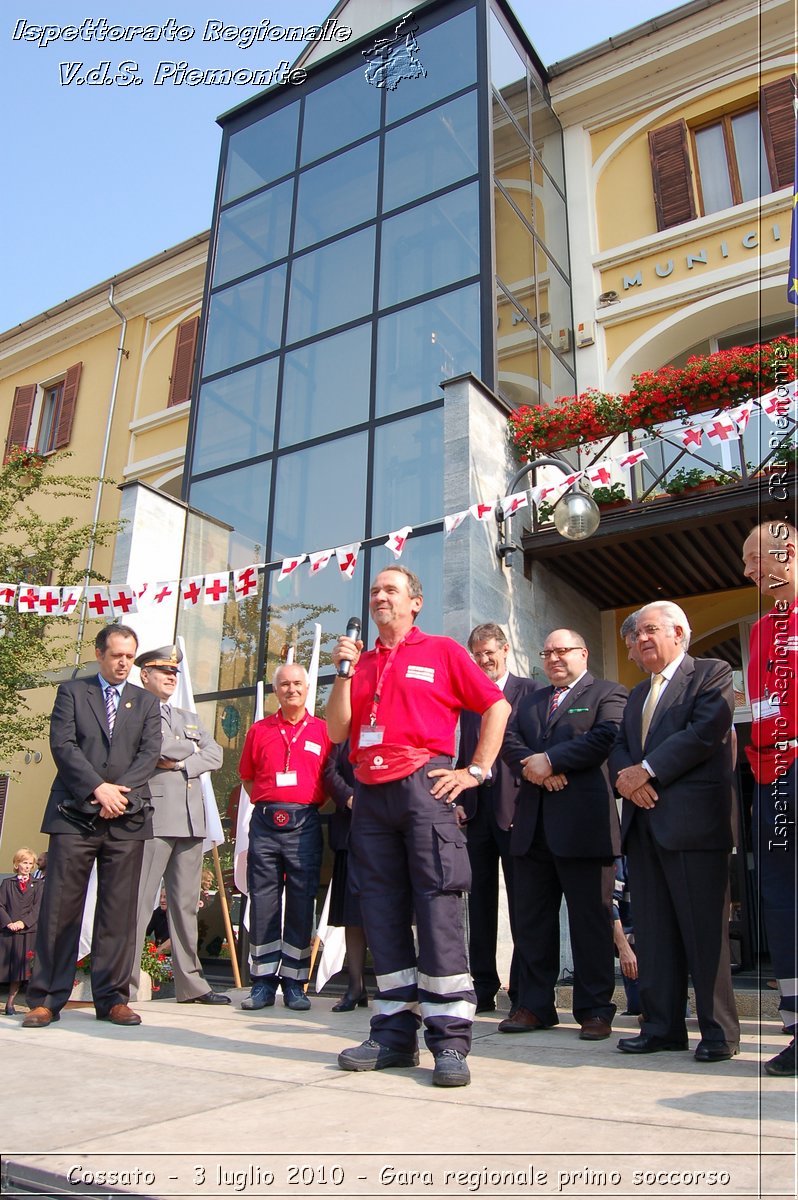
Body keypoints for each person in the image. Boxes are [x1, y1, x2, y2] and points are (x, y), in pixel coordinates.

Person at [327, 565, 511, 1088]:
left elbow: (496, 706)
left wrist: (474, 771)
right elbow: (339, 729)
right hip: (371, 793)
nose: (380, 597)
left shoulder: (444, 652)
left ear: (416, 603)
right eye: (374, 591)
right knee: (381, 909)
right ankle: (392, 1036)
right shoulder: (358, 664)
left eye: (391, 590)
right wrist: (343, 672)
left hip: (424, 786)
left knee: (437, 906)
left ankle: (450, 1040)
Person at [610, 601, 740, 1062]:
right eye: (637, 633)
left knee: (704, 934)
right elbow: (620, 747)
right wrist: (628, 775)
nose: (642, 639)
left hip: (693, 828)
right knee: (656, 934)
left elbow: (705, 732)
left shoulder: (711, 673)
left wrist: (646, 771)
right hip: (643, 830)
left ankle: (719, 1033)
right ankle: (662, 1026)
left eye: (651, 630)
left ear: (679, 633)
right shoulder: (637, 695)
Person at [23, 623, 161, 1029]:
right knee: (60, 909)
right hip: (74, 815)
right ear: (100, 654)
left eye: (130, 656)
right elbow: (62, 746)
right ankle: (47, 998)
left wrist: (118, 795)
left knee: (118, 912)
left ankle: (113, 998)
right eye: (117, 655)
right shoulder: (72, 692)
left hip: (127, 816)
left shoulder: (146, 702)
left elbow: (149, 753)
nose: (124, 663)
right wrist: (98, 790)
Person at [501, 629, 626, 1040]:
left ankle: (594, 1010)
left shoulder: (607, 693)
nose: (553, 658)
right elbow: (509, 740)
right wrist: (536, 768)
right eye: (547, 652)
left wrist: (552, 761)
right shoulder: (532, 700)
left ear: (583, 653)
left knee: (590, 920)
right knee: (532, 922)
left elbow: (605, 738)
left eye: (562, 650)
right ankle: (534, 1006)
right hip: (533, 829)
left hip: (584, 829)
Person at [130, 644, 229, 1006]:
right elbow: (158, 750)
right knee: (140, 903)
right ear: (145, 675)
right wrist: (189, 752)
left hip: (191, 819)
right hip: (155, 817)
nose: (171, 677)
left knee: (186, 905)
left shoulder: (188, 715)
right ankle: (124, 983)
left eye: (174, 672)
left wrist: (183, 763)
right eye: (163, 671)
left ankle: (192, 985)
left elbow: (215, 753)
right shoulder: (135, 712)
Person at [455, 622, 540, 1013]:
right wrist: (457, 796)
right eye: (477, 653)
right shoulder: (469, 698)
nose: (483, 660)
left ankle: (523, 991)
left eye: (489, 652)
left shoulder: (531, 692)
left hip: (518, 809)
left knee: (524, 903)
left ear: (505, 650)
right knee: (480, 905)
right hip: (476, 811)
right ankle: (483, 987)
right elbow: (463, 751)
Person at [238, 662, 331, 1011]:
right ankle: (261, 982)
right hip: (265, 824)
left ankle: (295, 982)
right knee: (263, 901)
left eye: (297, 684)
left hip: (305, 823)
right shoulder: (259, 730)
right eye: (284, 685)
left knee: (301, 901)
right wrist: (271, 802)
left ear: (308, 689)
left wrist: (303, 805)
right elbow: (248, 777)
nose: (291, 689)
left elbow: (329, 782)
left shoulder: (322, 731)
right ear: (276, 691)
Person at [742, 520, 798, 1076]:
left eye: (755, 559)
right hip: (771, 776)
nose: (748, 572)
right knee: (783, 905)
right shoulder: (760, 630)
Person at [323, 740, 369, 1011]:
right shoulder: (343, 736)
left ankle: (394, 989)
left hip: (389, 832)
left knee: (389, 914)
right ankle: (355, 987)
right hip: (350, 833)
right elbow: (329, 772)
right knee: (353, 916)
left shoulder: (391, 722)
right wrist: (349, 797)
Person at [0, 848, 43, 1015]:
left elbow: (38, 908)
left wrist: (23, 923)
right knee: (3, 966)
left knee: (20, 969)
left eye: (30, 864)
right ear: (17, 864)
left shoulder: (38, 885)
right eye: (24, 863)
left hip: (27, 932)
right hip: (7, 931)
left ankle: (10, 1003)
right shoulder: (7, 883)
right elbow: (1, 905)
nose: (27, 866)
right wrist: (8, 923)